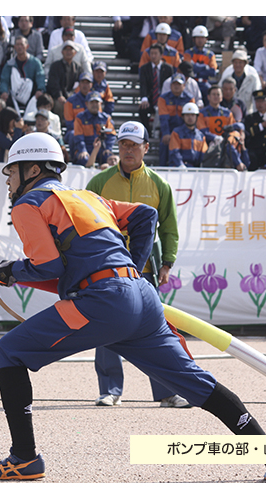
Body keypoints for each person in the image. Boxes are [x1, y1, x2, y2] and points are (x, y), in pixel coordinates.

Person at [0, 132, 266, 482]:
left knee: (9, 351)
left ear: (32, 169)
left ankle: (24, 457)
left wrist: (12, 270)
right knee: (198, 384)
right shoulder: (88, 197)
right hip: (141, 296)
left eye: (12, 172)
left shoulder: (29, 204)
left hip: (103, 302)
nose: (8, 179)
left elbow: (48, 266)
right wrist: (131, 267)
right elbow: (145, 217)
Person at [84, 121, 186, 407]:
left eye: (134, 145)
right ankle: (110, 390)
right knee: (105, 328)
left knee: (155, 330)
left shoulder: (159, 185)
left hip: (146, 269)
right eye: (124, 145)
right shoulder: (99, 183)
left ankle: (166, 392)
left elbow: (169, 228)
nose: (128, 150)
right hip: (106, 268)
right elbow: (84, 223)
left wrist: (167, 262)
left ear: (146, 148)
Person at [199, 85, 250, 170]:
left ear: (221, 97)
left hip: (225, 142)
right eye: (213, 94)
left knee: (234, 139)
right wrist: (215, 137)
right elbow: (202, 131)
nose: (216, 97)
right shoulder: (202, 113)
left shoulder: (227, 113)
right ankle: (239, 164)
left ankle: (240, 164)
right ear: (208, 97)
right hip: (210, 144)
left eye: (218, 94)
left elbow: (233, 129)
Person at [158, 74, 196, 166]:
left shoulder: (189, 98)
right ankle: (162, 168)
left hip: (184, 130)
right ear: (170, 85)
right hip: (169, 129)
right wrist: (166, 133)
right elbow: (164, 118)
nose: (176, 86)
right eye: (174, 84)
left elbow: (191, 117)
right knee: (164, 144)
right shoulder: (163, 98)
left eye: (179, 84)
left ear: (184, 86)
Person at [0, 36, 46, 110]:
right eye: (17, 45)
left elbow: (40, 77)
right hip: (14, 94)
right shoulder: (9, 64)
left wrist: (40, 90)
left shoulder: (35, 62)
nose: (19, 47)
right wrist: (4, 91)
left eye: (21, 44)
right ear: (14, 47)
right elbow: (4, 80)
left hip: (31, 94)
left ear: (27, 46)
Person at [138, 43, 175, 134]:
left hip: (164, 97)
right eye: (151, 53)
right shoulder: (144, 68)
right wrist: (144, 98)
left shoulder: (168, 68)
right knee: (142, 109)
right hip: (151, 97)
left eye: (155, 53)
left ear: (161, 55)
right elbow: (143, 84)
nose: (153, 56)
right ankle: (147, 132)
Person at [73, 92, 116, 166]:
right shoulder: (80, 118)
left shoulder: (106, 118)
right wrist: (83, 150)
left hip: (101, 148)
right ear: (86, 104)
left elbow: (111, 135)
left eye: (96, 102)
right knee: (84, 159)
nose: (94, 105)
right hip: (86, 147)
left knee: (110, 159)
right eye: (92, 102)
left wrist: (108, 148)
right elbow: (78, 137)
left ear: (101, 103)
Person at [219, 48, 262, 116]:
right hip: (228, 114)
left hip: (247, 114)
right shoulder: (227, 76)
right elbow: (220, 93)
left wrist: (255, 115)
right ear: (232, 63)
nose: (238, 65)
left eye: (240, 62)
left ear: (245, 63)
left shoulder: (252, 78)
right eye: (235, 62)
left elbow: (256, 97)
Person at [183, 25, 217, 103]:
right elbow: (187, 68)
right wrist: (205, 67)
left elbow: (213, 72)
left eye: (202, 38)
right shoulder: (188, 53)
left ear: (206, 39)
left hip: (204, 83)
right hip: (191, 82)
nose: (200, 40)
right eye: (198, 37)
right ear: (194, 39)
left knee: (211, 98)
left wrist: (195, 67)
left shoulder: (210, 54)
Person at [168, 102, 208, 168]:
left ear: (197, 117)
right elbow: (174, 152)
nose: (190, 118)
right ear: (183, 117)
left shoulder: (201, 136)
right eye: (187, 115)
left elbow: (204, 155)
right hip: (178, 168)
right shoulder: (176, 133)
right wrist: (180, 164)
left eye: (192, 115)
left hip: (195, 170)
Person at [46, 41, 83, 112]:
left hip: (73, 96)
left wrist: (73, 96)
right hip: (57, 97)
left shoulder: (78, 67)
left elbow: (78, 84)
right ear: (62, 52)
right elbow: (53, 84)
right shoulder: (55, 66)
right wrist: (59, 96)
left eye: (70, 49)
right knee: (59, 105)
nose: (68, 52)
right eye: (66, 49)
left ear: (75, 52)